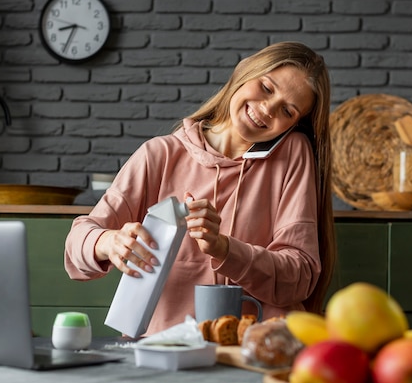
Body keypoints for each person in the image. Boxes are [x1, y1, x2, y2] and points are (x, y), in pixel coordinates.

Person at [64, 41, 336, 336]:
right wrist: (109, 241)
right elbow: (76, 246)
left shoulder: (293, 154)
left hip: (258, 350)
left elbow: (299, 277)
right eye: (267, 88)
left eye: (287, 110)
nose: (267, 109)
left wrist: (224, 249)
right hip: (167, 348)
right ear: (245, 71)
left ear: (293, 125)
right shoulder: (160, 154)